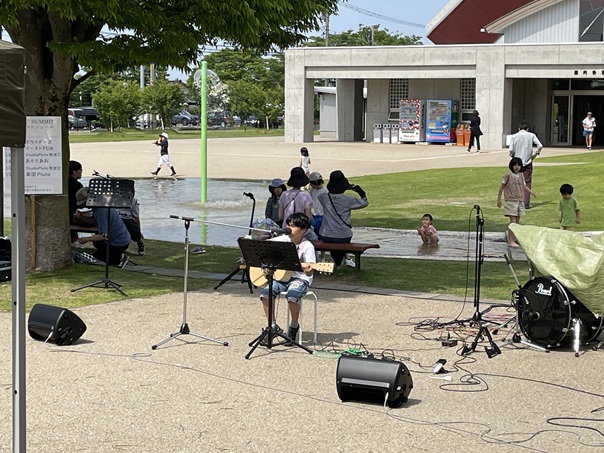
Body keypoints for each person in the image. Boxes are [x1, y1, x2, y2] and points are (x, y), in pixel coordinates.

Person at [259, 212, 316, 345]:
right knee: (265, 294)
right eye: (288, 225)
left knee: (292, 296)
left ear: (303, 229)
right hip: (281, 277)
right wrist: (266, 264)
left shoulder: (307, 246)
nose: (289, 228)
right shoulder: (283, 239)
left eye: (293, 226)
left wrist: (309, 271)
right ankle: (272, 326)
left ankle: (294, 325)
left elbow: (309, 272)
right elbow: (265, 246)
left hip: (299, 278)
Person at [318, 170, 368, 266]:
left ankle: (337, 262)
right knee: (342, 241)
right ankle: (343, 261)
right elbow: (364, 202)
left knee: (334, 246)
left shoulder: (323, 197)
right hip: (343, 235)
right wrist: (360, 191)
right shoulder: (348, 200)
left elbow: (323, 195)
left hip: (326, 234)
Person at [74, 187, 131, 267]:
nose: (83, 206)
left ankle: (118, 258)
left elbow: (103, 236)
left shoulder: (100, 210)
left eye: (83, 203)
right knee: (97, 243)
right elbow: (95, 219)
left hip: (118, 243)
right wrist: (82, 217)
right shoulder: (100, 205)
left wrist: (86, 239)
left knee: (94, 260)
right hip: (123, 238)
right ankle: (116, 256)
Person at [497, 157, 536, 247]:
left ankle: (514, 239)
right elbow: (501, 187)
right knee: (513, 222)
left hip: (519, 201)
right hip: (511, 201)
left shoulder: (521, 175)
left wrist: (531, 192)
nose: (517, 167)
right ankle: (511, 241)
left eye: (518, 165)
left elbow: (524, 186)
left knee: (517, 222)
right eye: (515, 165)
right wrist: (499, 199)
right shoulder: (508, 176)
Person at [509, 121, 543, 209]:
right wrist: (536, 153)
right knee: (527, 182)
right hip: (527, 161)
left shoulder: (514, 136)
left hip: (517, 162)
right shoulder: (531, 135)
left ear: (519, 128)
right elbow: (540, 145)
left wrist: (513, 155)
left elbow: (511, 149)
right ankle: (526, 202)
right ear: (527, 129)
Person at [116, 191, 146, 255]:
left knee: (133, 229)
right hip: (117, 218)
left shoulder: (134, 201)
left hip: (128, 219)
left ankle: (140, 243)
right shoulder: (114, 199)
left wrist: (139, 231)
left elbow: (136, 217)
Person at [308, 171, 328, 261]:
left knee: (322, 237)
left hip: (322, 216)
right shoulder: (312, 191)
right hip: (314, 216)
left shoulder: (325, 191)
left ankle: (322, 255)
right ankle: (315, 255)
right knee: (314, 236)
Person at [68, 160, 84, 242]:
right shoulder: (78, 185)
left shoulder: (63, 183)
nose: (81, 172)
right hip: (74, 215)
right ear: (75, 172)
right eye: (80, 170)